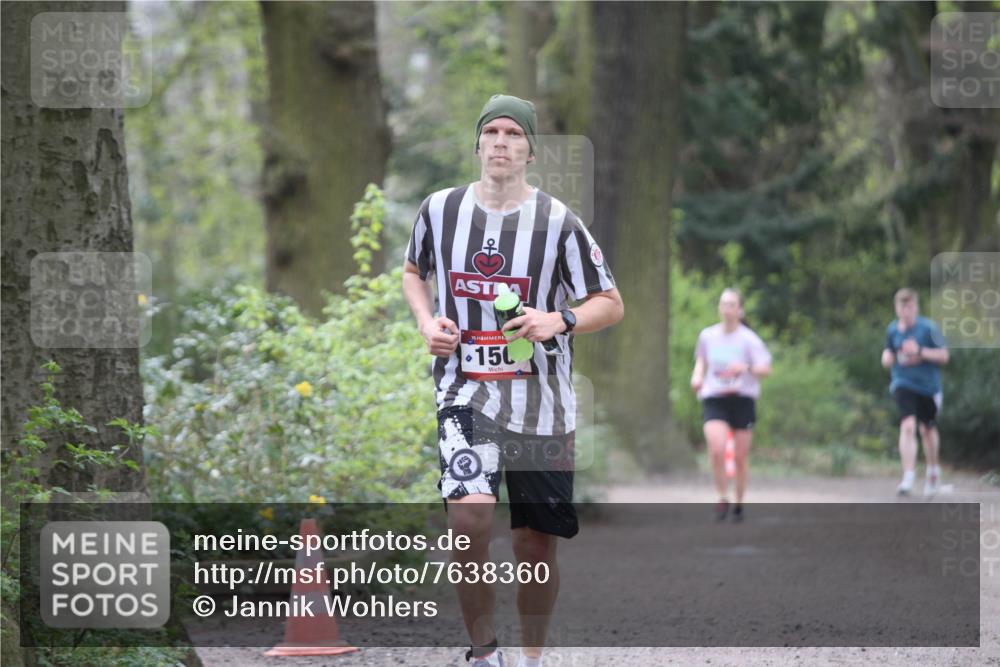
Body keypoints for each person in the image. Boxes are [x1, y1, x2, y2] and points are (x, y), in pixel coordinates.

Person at [402, 94, 623, 667]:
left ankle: (530, 655)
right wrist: (429, 324)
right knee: (468, 515)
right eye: (491, 132)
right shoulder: (439, 210)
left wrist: (560, 318)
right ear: (478, 144)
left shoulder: (558, 222)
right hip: (464, 390)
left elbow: (611, 302)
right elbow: (412, 272)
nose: (501, 142)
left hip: (544, 402)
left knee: (534, 543)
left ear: (529, 150)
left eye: (513, 134)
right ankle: (483, 653)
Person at [690, 288, 772, 522]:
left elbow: (766, 369)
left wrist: (745, 368)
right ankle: (722, 496)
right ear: (719, 308)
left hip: (742, 399)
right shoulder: (707, 335)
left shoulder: (749, 339)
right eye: (723, 304)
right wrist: (697, 376)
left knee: (739, 456)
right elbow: (701, 361)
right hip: (714, 397)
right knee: (716, 449)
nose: (727, 309)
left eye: (732, 304)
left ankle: (739, 501)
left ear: (740, 310)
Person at [881, 288, 949, 496]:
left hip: (928, 387)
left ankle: (933, 470)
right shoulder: (893, 330)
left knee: (927, 430)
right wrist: (888, 359)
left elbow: (944, 356)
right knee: (908, 425)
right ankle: (908, 476)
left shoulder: (928, 328)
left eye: (909, 306)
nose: (906, 311)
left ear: (916, 307)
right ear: (896, 308)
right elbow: (887, 355)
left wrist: (920, 351)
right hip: (903, 383)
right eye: (902, 307)